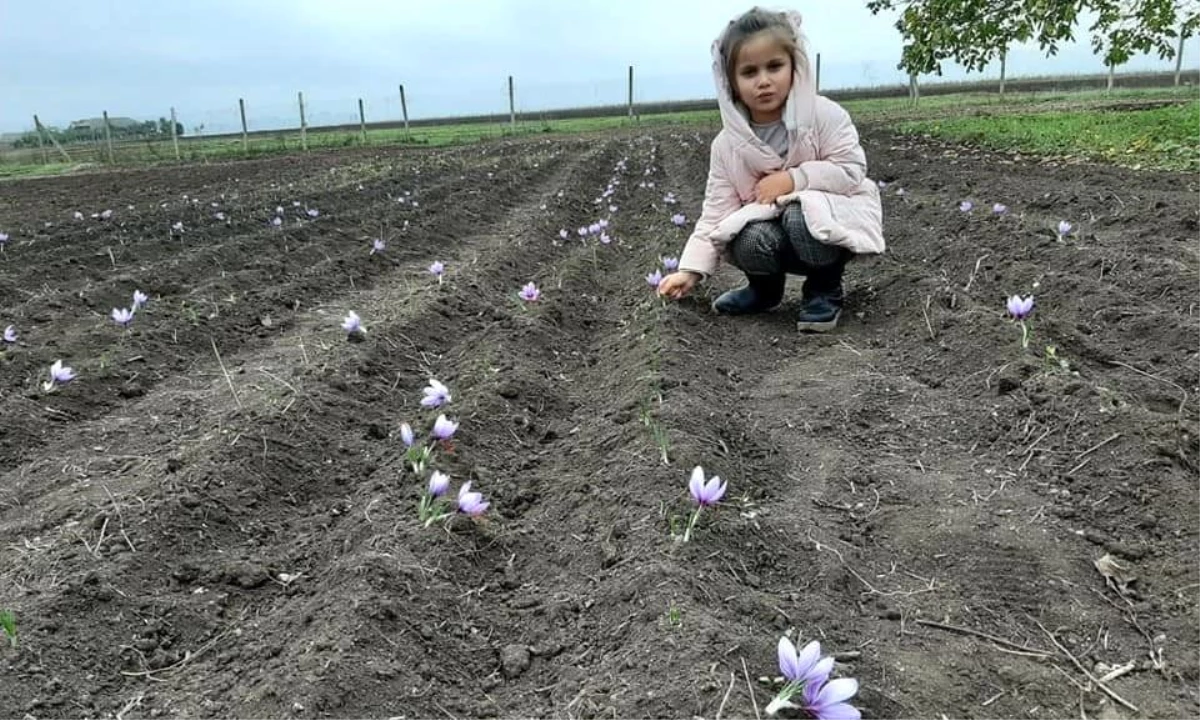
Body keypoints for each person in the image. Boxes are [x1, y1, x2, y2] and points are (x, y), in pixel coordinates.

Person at [656, 7, 885, 332]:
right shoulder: (726, 146)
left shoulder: (824, 116)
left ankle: (824, 287)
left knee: (799, 212)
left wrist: (794, 179)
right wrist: (690, 270)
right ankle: (764, 290)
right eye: (749, 72)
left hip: (829, 229)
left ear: (795, 67)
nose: (763, 81)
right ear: (731, 83)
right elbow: (715, 214)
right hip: (774, 239)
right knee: (746, 236)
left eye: (775, 66)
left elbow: (851, 170)